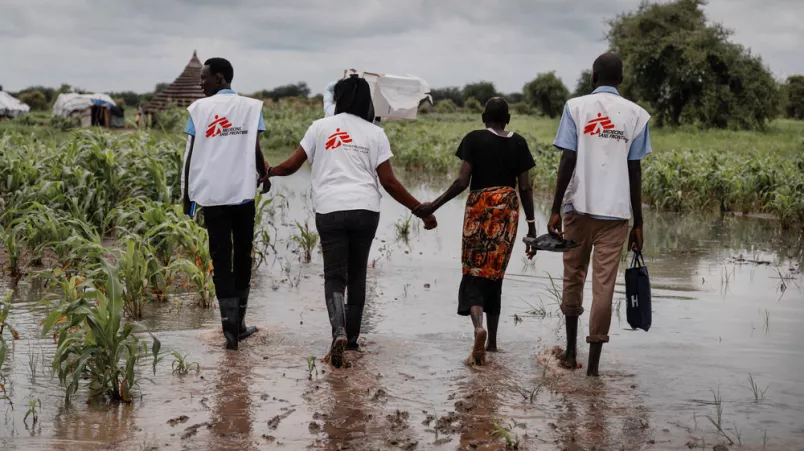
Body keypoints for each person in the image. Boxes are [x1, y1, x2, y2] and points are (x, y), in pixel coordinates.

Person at [265, 75, 437, 368]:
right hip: (365, 211)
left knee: (334, 276)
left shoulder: (320, 127)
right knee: (357, 276)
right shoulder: (375, 133)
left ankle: (338, 332)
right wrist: (420, 210)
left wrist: (268, 172)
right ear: (368, 102)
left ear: (338, 99)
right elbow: (389, 182)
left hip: (330, 210)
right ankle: (353, 341)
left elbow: (291, 165)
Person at [546, 52, 651, 377]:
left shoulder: (575, 107)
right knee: (603, 287)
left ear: (593, 77)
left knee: (573, 277)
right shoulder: (636, 115)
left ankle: (570, 354)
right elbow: (635, 170)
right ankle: (592, 368)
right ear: (621, 79)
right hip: (616, 216)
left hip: (577, 208)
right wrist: (639, 222)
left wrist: (554, 208)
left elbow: (568, 159)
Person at [415, 97, 537, 366]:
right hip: (507, 213)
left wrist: (432, 205)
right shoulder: (519, 143)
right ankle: (492, 343)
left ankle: (478, 328)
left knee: (474, 272)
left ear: (484, 118)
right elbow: (526, 188)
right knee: (495, 274)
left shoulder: (474, 138)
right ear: (508, 119)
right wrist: (531, 227)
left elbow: (462, 182)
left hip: (480, 211)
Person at [181, 57, 270, 351]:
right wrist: (264, 173)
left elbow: (189, 156)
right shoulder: (251, 107)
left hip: (213, 197)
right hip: (242, 194)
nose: (200, 83)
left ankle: (230, 331)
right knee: (242, 254)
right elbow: (254, 146)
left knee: (220, 260)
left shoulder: (199, 110)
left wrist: (187, 197)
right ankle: (239, 324)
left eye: (204, 78)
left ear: (219, 78)